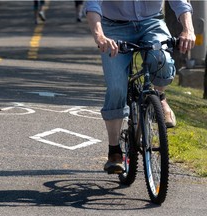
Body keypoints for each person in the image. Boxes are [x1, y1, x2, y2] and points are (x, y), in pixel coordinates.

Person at [84, 1, 196, 174]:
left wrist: (188, 29)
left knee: (162, 59)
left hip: (152, 22)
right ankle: (114, 151)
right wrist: (99, 36)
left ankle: (160, 97)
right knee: (116, 88)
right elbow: (92, 4)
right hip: (113, 28)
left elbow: (180, 2)